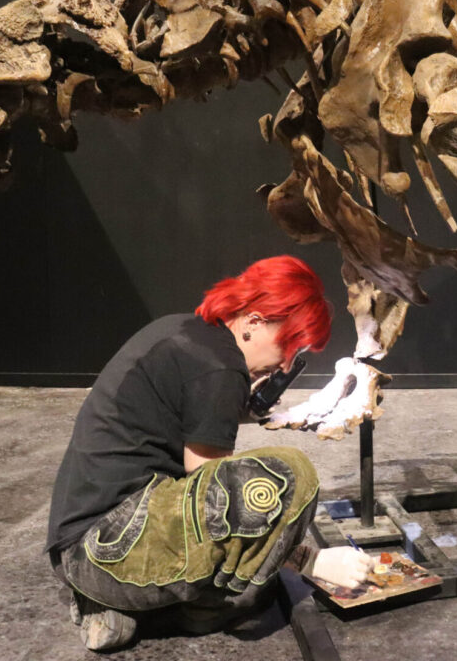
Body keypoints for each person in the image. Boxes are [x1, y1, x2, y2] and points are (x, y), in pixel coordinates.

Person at [46, 255, 374, 651]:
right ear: (253, 322)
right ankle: (127, 604)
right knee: (289, 475)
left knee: (257, 585)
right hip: (106, 551)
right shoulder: (219, 369)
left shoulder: (186, 331)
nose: (286, 363)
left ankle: (123, 611)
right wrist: (308, 562)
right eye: (288, 345)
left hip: (82, 546)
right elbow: (219, 501)